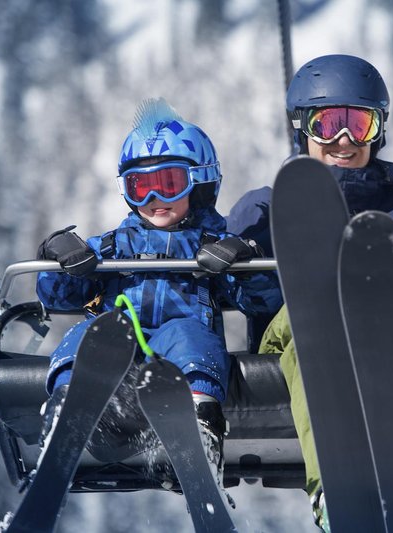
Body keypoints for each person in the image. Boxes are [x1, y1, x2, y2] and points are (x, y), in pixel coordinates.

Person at [227, 54, 393, 532]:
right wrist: (234, 258)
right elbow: (236, 295)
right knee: (319, 318)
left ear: (378, 131)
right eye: (329, 125)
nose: (344, 141)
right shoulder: (264, 208)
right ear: (303, 129)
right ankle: (340, 494)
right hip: (301, 331)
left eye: (359, 125)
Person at [35, 97, 283, 482]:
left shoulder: (212, 246)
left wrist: (244, 262)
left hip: (179, 342)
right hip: (120, 339)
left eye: (168, 185)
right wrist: (61, 258)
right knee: (95, 332)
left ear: (199, 183)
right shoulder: (115, 245)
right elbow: (57, 296)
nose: (153, 201)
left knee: (190, 337)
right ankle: (70, 403)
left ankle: (200, 420)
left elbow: (261, 301)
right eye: (140, 188)